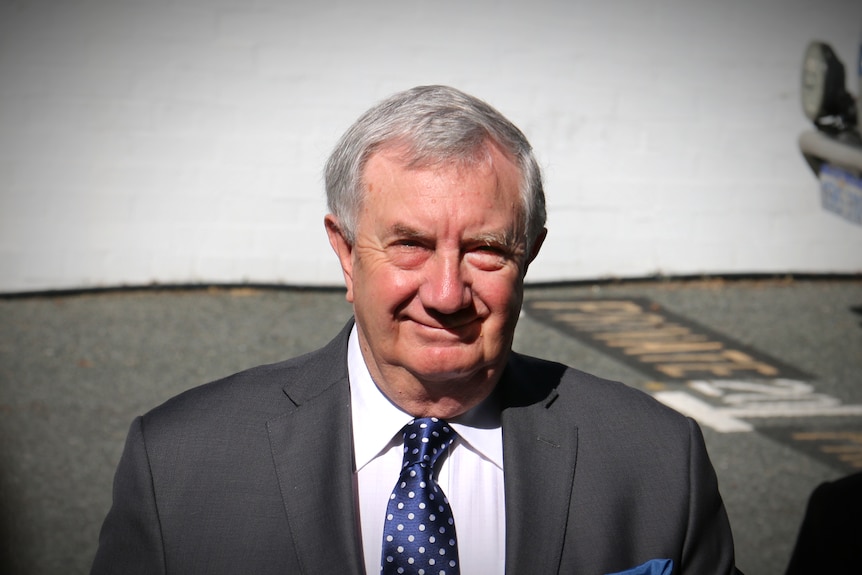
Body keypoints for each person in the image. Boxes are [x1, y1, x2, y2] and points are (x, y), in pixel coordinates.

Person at [91, 85, 739, 574]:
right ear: (345, 252)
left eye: (486, 249)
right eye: (410, 245)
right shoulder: (179, 465)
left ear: (530, 256)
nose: (446, 292)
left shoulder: (654, 461)